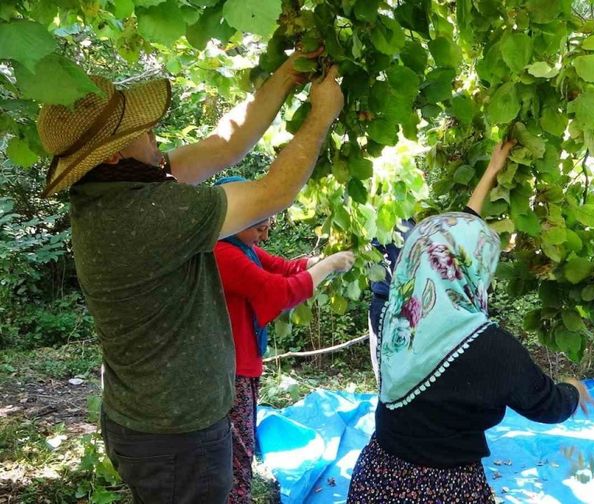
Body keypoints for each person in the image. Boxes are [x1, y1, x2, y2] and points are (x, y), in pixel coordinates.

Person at [35, 48, 344, 503]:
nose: (154, 133)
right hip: (178, 439)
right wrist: (322, 115)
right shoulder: (148, 213)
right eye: (141, 130)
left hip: (149, 425)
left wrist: (285, 76)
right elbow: (273, 191)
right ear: (115, 154)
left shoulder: (113, 190)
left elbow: (225, 144)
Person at [346, 148, 594, 504]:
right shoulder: (492, 351)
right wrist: (573, 390)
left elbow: (446, 244)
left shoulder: (399, 322)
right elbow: (548, 406)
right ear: (476, 269)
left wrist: (491, 170)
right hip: (448, 490)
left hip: (378, 479)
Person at [212, 176, 356, 503]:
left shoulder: (241, 246)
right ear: (235, 217)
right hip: (228, 370)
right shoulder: (222, 253)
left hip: (241, 364)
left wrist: (316, 263)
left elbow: (285, 268)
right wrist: (327, 267)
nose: (263, 235)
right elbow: (279, 291)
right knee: (238, 452)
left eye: (266, 227)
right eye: (258, 228)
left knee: (240, 446)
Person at [366, 140, 515, 381]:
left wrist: (493, 169)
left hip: (423, 310)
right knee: (395, 382)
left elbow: (468, 219)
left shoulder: (418, 229)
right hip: (389, 310)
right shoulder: (381, 221)